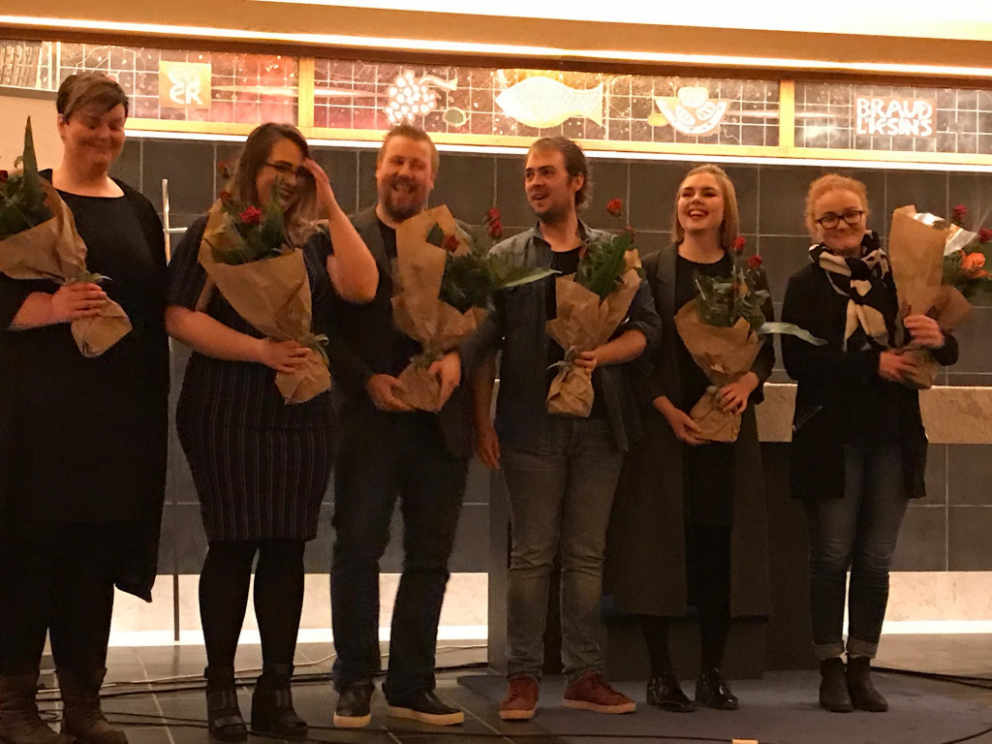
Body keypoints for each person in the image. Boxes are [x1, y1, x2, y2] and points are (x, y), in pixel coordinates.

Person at [166, 123, 377, 741]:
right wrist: (259, 350)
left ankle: (275, 691)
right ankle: (221, 690)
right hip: (226, 407)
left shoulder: (310, 239)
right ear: (252, 168)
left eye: (298, 168)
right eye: (277, 166)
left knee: (287, 548)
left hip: (302, 412)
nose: (287, 179)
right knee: (233, 545)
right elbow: (178, 317)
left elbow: (362, 285)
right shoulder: (214, 231)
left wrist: (329, 202)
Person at [465, 136, 660, 722]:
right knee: (531, 556)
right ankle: (522, 678)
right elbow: (484, 345)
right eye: (528, 174)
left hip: (601, 425)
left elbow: (646, 328)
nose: (534, 183)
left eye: (546, 172)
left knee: (586, 557)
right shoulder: (508, 257)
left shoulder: (615, 255)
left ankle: (584, 677)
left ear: (577, 181)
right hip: (529, 426)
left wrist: (603, 355)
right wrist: (481, 421)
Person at [0, 72, 169, 744]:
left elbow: (152, 314)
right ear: (63, 123)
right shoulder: (21, 199)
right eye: (92, 121)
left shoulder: (138, 210)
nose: (104, 135)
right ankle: (14, 708)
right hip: (37, 421)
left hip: (114, 424)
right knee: (27, 562)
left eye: (116, 123)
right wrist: (47, 307)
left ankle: (83, 705)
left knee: (91, 566)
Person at [781, 174, 958, 713]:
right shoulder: (805, 284)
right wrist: (870, 364)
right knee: (832, 556)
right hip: (831, 438)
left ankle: (862, 665)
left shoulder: (900, 277)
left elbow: (943, 349)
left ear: (866, 217)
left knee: (876, 560)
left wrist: (938, 339)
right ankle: (829, 668)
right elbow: (798, 360)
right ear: (814, 224)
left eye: (851, 214)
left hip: (893, 436)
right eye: (830, 217)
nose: (842, 225)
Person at [607, 164, 773, 713]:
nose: (695, 201)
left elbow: (766, 350)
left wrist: (747, 382)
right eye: (686, 194)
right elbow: (639, 351)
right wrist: (666, 410)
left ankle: (711, 673)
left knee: (715, 553)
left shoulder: (748, 276)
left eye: (707, 194)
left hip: (724, 434)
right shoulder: (653, 270)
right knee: (658, 549)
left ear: (726, 209)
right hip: (664, 431)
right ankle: (660, 675)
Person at [326, 124, 472, 729]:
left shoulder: (454, 240)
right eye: (397, 162)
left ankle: (412, 683)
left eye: (417, 165)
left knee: (430, 557)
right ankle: (354, 679)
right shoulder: (346, 235)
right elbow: (321, 322)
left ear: (432, 177)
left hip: (439, 424)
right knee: (358, 548)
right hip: (369, 421)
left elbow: (484, 317)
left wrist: (459, 355)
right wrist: (365, 379)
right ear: (377, 169)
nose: (406, 174)